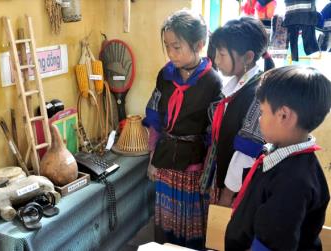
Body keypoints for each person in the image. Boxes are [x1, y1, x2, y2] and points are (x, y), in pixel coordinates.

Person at [225, 65, 331, 250]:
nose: (259, 119)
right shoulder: (278, 155)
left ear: (284, 115)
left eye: (263, 112)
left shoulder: (294, 181)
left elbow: (270, 245)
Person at [142, 9, 222, 249]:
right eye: (167, 47)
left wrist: (207, 176)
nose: (171, 53)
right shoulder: (165, 76)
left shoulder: (212, 82)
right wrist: (153, 160)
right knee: (167, 225)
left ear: (198, 44)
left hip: (193, 166)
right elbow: (155, 118)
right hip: (166, 160)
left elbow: (213, 134)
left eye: (177, 47)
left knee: (190, 225)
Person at [199, 16, 275, 207]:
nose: (216, 59)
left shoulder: (257, 94)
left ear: (248, 57)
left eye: (222, 54)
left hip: (238, 189)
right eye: (216, 52)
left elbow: (246, 152)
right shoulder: (234, 89)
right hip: (226, 179)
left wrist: (227, 195)